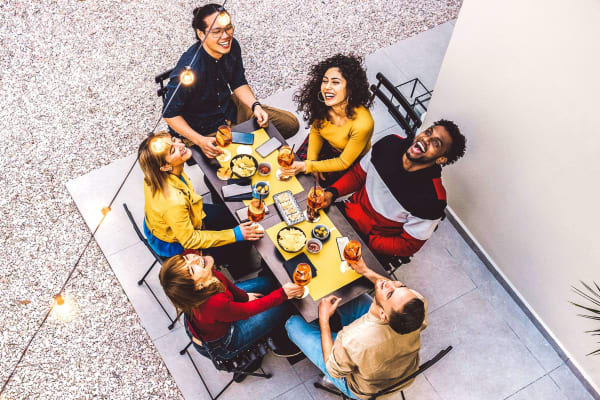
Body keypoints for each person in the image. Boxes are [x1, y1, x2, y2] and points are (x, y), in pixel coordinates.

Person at [162, 4, 299, 159]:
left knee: (290, 124)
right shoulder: (189, 70)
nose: (225, 36)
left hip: (231, 110)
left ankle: (245, 137)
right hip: (205, 128)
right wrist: (199, 141)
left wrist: (256, 106)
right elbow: (169, 113)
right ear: (201, 34)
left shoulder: (232, 46)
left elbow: (238, 81)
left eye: (228, 28)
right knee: (235, 161)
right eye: (217, 31)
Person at [321, 120, 467, 262]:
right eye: (428, 132)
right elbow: (358, 175)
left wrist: (368, 242)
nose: (426, 139)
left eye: (436, 143)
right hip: (348, 211)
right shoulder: (388, 144)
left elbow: (408, 245)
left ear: (441, 159)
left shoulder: (433, 201)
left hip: (372, 244)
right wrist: (331, 192)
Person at [286, 257, 427, 399]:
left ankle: (335, 383)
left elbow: (332, 368)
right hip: (401, 373)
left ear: (383, 315)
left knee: (293, 324)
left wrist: (324, 319)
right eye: (400, 285)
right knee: (345, 292)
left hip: (363, 389)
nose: (390, 284)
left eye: (390, 294)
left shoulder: (355, 339)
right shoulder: (416, 303)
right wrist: (365, 271)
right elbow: (389, 286)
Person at [138, 131, 262, 275]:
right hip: (177, 243)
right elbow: (189, 240)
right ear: (165, 166)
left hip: (182, 218)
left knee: (231, 215)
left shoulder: (155, 175)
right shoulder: (173, 202)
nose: (180, 145)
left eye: (174, 140)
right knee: (241, 239)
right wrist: (235, 234)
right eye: (173, 150)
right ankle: (239, 267)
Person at [160, 251, 304, 362]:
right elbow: (246, 311)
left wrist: (245, 297)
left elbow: (225, 283)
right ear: (198, 286)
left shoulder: (205, 271)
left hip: (212, 322)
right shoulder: (214, 303)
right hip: (223, 343)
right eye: (191, 270)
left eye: (186, 258)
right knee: (285, 306)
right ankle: (283, 342)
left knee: (269, 282)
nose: (194, 258)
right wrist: (283, 294)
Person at [281, 54, 374, 185]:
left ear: (350, 88)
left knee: (319, 183)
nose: (327, 87)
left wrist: (308, 166)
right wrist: (311, 162)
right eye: (325, 81)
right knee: (296, 166)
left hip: (345, 156)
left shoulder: (363, 124)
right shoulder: (324, 104)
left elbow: (343, 162)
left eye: (335, 82)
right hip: (325, 142)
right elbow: (316, 131)